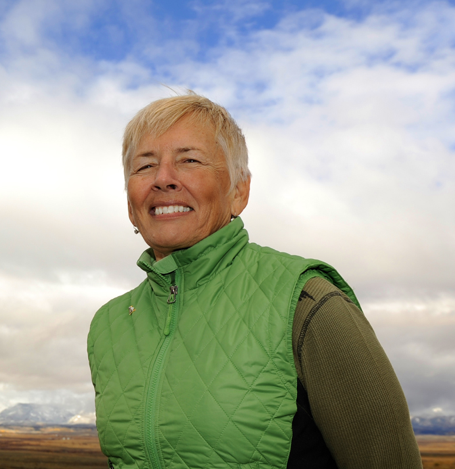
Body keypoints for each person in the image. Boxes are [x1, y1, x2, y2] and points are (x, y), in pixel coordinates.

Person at [87, 93, 423, 469]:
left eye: (190, 160)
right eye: (145, 166)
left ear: (239, 192)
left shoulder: (306, 302)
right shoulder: (110, 326)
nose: (163, 179)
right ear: (130, 200)